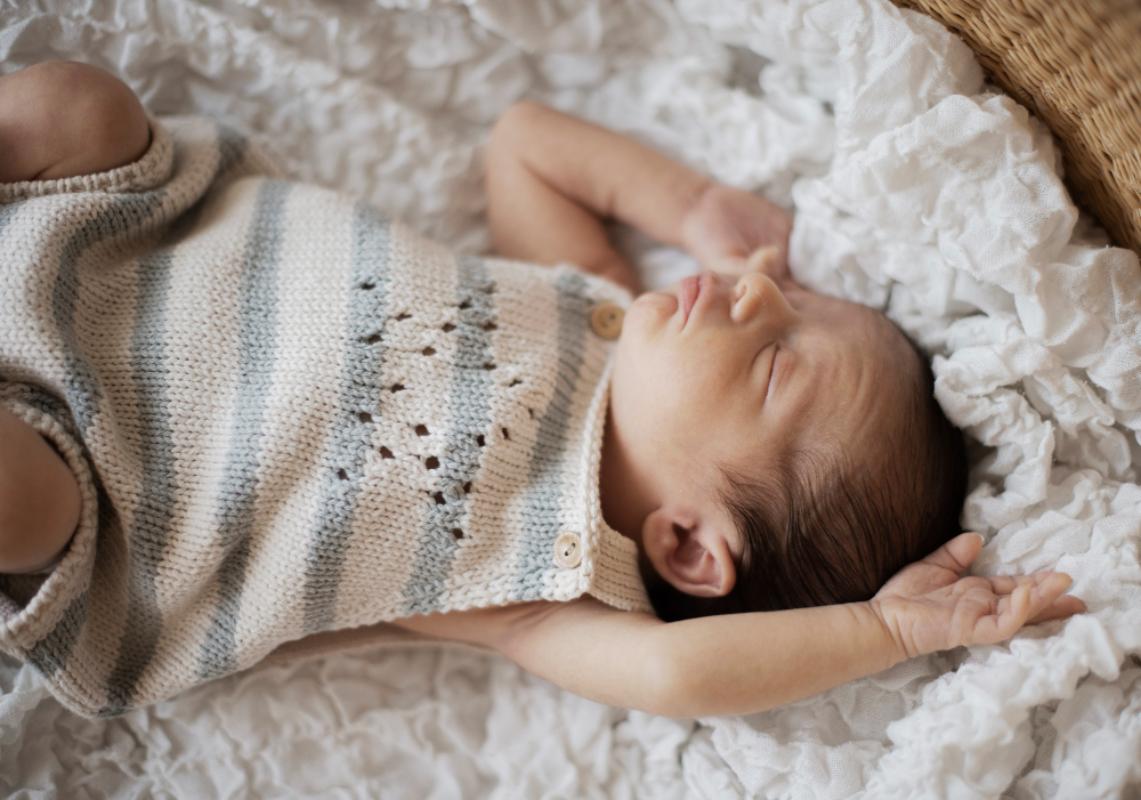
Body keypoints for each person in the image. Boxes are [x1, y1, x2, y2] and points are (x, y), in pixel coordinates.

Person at [0, 61, 1085, 719]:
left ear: (691, 545)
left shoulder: (541, 588)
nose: (758, 291)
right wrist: (694, 203)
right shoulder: (594, 307)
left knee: (20, 499)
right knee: (77, 107)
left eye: (773, 358)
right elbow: (524, 145)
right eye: (793, 295)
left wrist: (887, 634)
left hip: (102, 485)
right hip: (123, 250)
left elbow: (672, 676)